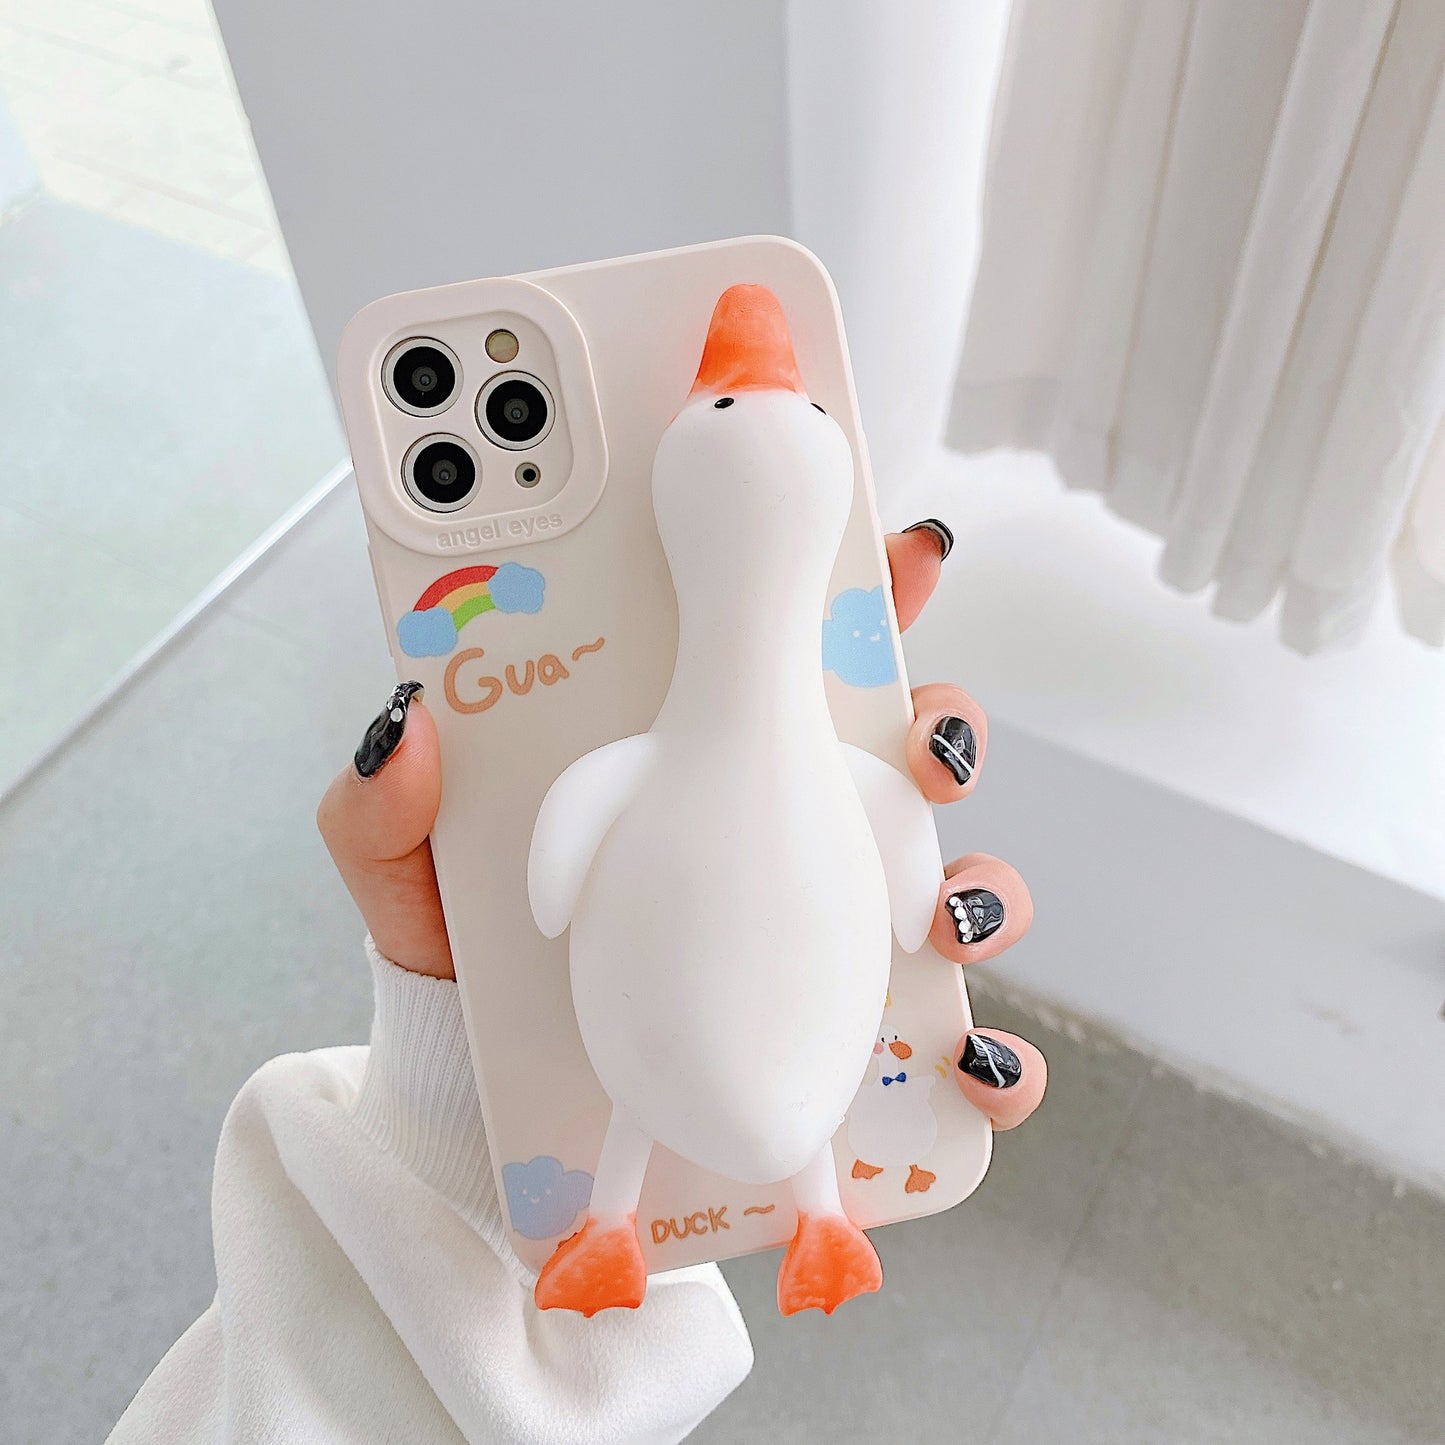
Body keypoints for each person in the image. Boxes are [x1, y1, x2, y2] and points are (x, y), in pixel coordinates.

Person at [107, 523, 1047, 1444]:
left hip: (656, 1059)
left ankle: (793, 1217)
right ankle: (781, 1216)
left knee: (717, 1079)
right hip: (659, 1045)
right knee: (725, 1077)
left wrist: (458, 1086)